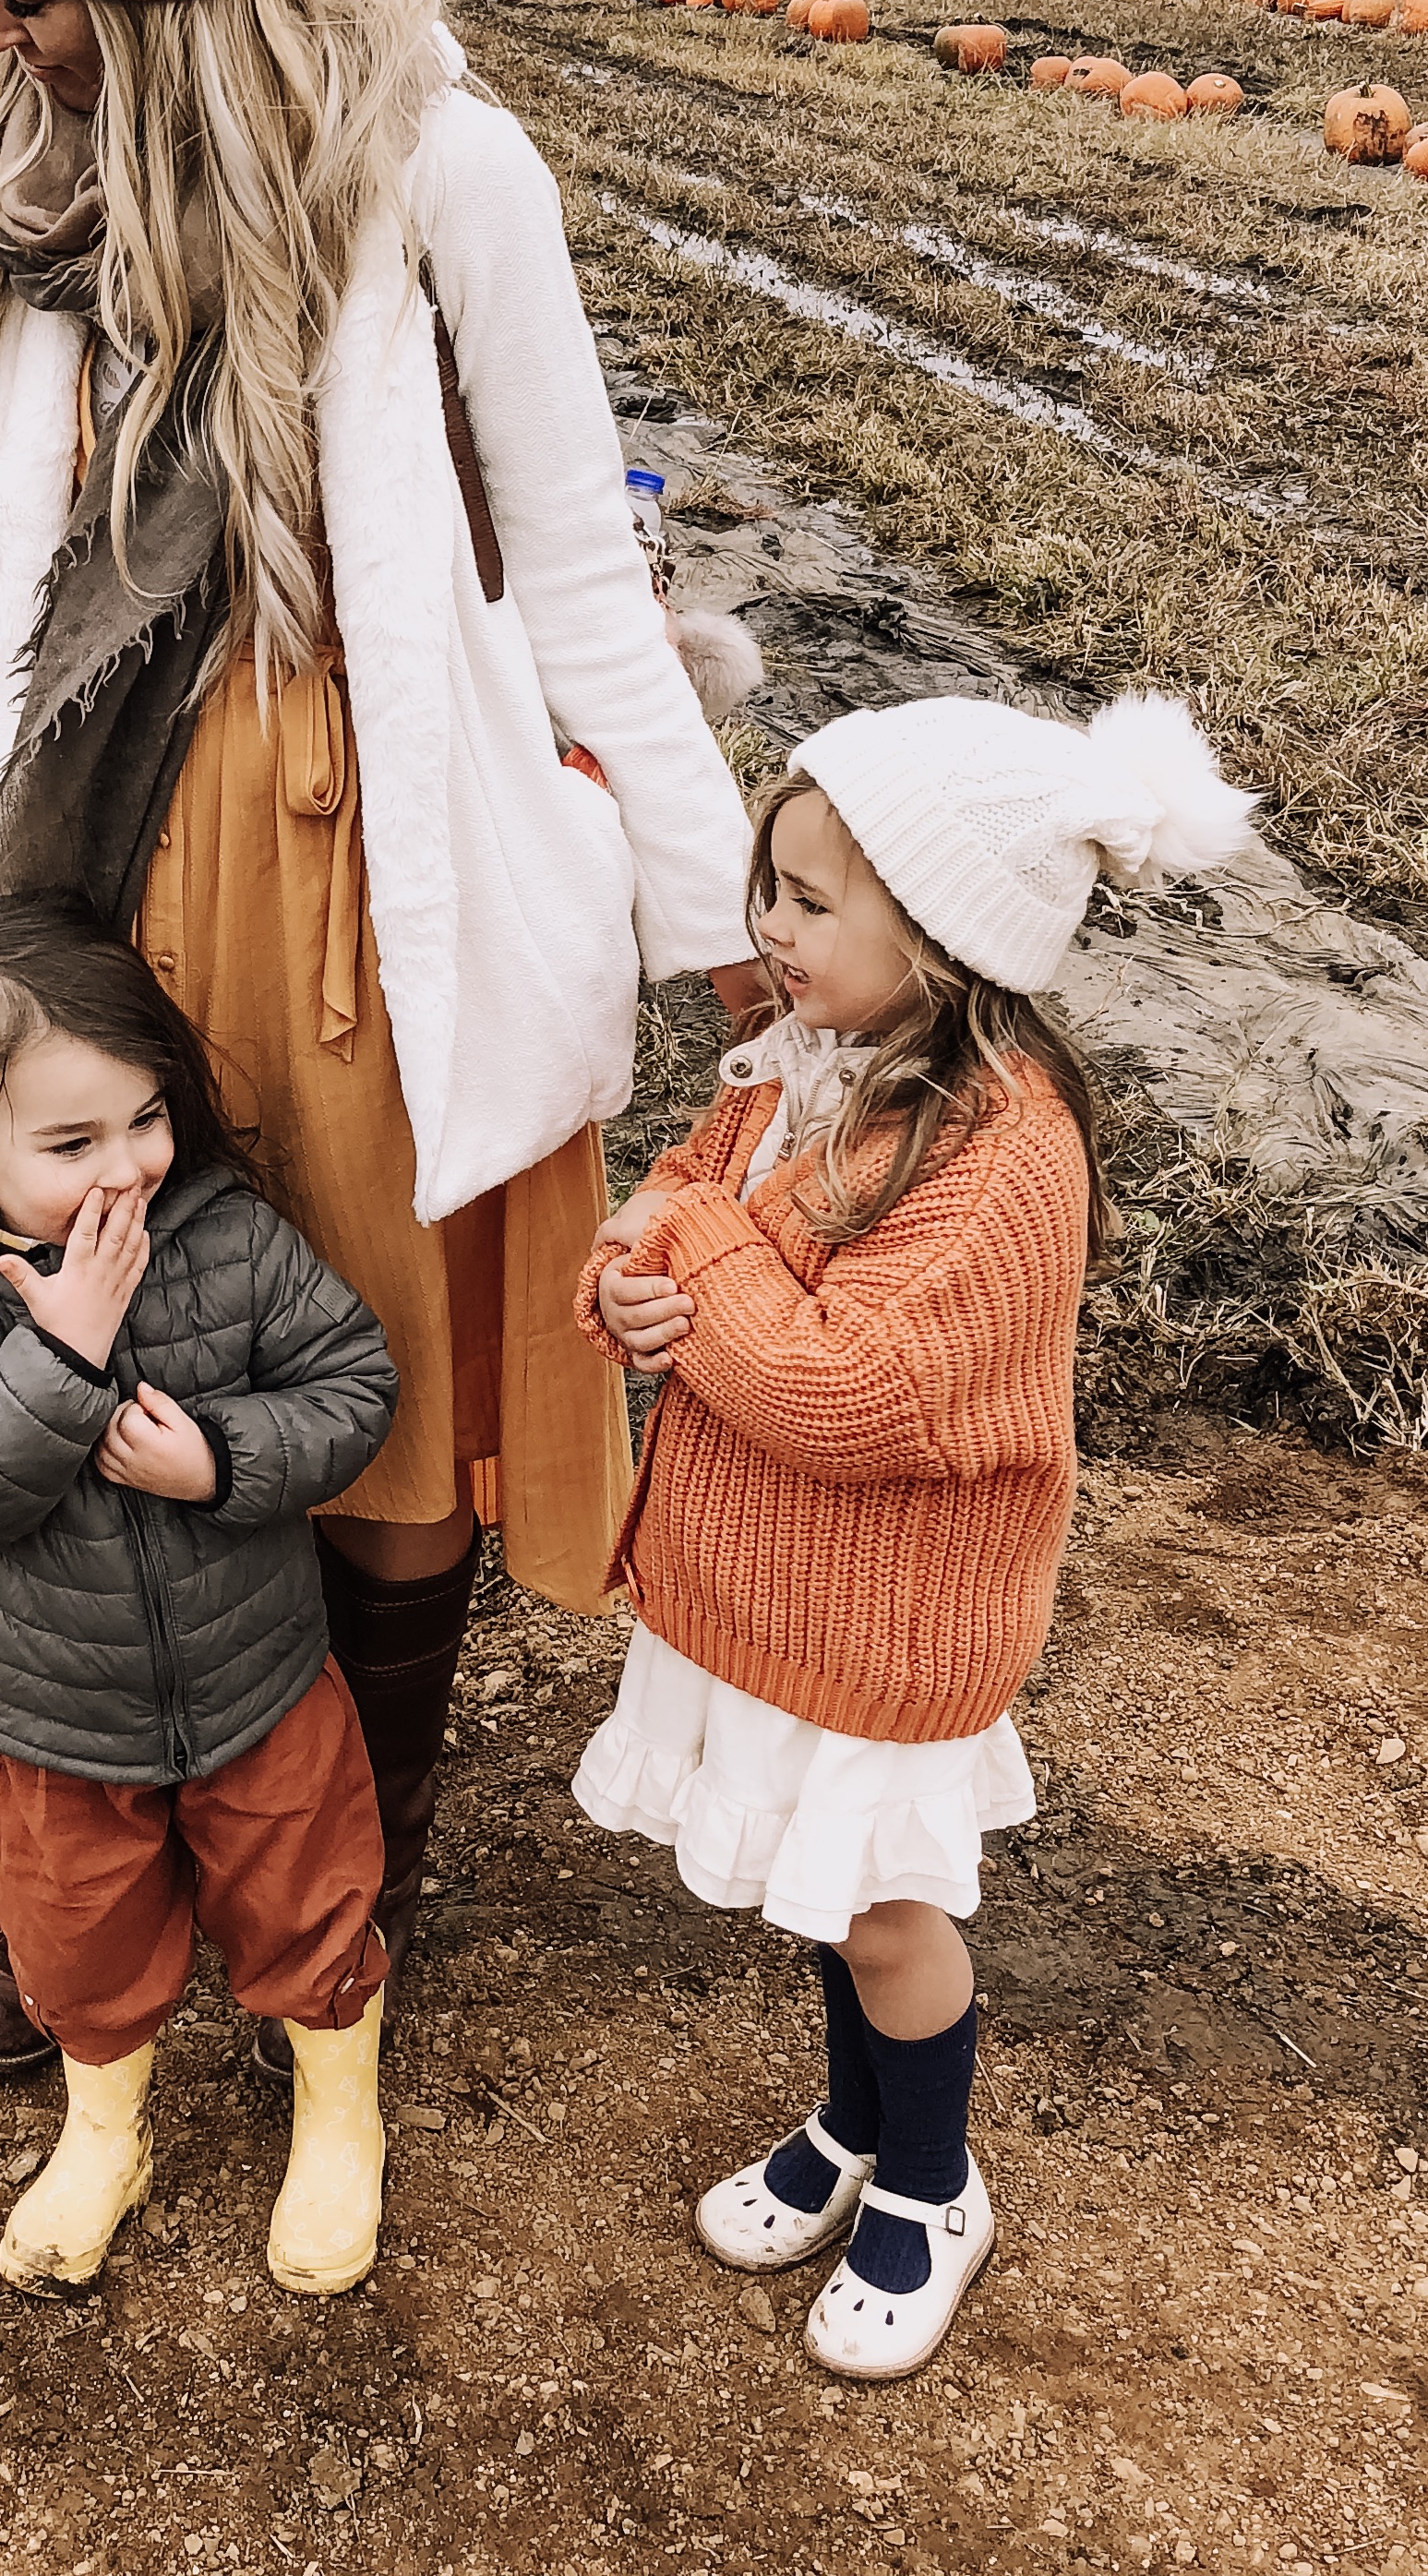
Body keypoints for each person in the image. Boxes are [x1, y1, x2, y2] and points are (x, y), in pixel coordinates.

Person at [0, 0, 767, 2082]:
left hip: (374, 894)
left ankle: (349, 1888)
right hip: (104, 900)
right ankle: (101, 1887)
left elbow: (575, 559)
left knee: (355, 1405)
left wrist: (719, 924)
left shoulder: (443, 175)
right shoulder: (40, 192)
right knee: (90, 1345)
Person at [570, 690, 1255, 2379]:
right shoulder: (813, 1066)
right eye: (770, 888)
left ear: (944, 932)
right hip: (762, 1602)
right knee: (827, 1892)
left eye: (810, 902)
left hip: (883, 1631)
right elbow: (679, 1179)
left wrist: (705, 1259)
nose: (766, 931)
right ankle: (851, 2123)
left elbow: (841, 1395)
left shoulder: (1007, 1153)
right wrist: (631, 1271)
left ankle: (933, 2184)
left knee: (884, 1909)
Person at [0, 895, 399, 2296]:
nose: (127, 1170)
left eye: (146, 1120)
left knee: (308, 1901)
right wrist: (65, 1348)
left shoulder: (227, 1237)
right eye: (72, 1143)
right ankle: (106, 2132)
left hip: (262, 1683)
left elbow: (355, 1386)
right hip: (57, 1716)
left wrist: (222, 1459)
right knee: (78, 1932)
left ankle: (339, 2110)